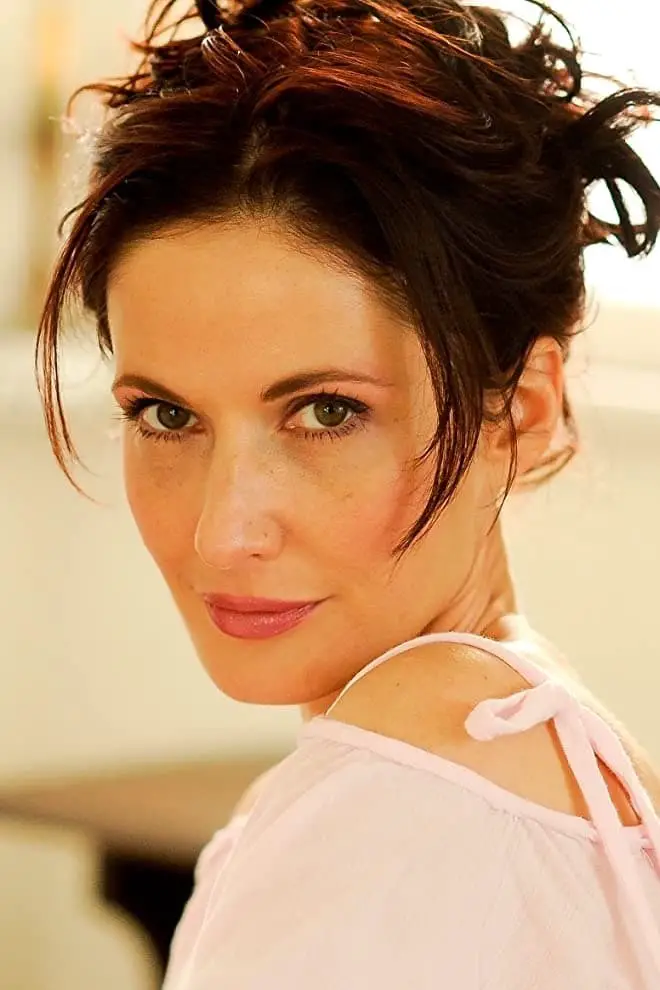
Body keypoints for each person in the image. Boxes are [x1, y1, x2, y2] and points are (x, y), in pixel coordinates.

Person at [36, 0, 660, 985]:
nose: (222, 533)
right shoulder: (555, 752)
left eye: (326, 412)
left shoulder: (397, 809)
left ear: (522, 411)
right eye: (167, 414)